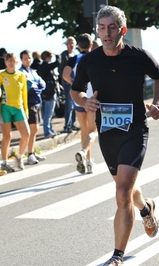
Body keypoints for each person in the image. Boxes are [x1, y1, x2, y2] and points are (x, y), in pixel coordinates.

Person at [71, 6, 159, 265]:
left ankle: (117, 256)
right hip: (108, 133)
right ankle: (146, 208)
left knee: (122, 192)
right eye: (102, 27)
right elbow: (76, 90)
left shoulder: (138, 56)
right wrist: (85, 101)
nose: (106, 32)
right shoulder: (90, 61)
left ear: (122, 30)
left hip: (135, 130)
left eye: (112, 27)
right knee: (125, 189)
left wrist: (157, 102)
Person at [63, 33, 97, 174]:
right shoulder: (95, 57)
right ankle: (85, 155)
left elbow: (65, 75)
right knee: (93, 131)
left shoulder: (73, 59)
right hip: (93, 98)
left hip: (79, 97)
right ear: (91, 45)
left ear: (78, 46)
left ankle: (87, 160)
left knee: (84, 131)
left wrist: (75, 83)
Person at [0, 53, 30, 172]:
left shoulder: (21, 75)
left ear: (17, 62)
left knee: (26, 134)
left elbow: (24, 93)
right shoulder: (1, 76)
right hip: (5, 108)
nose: (11, 63)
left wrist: (26, 110)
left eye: (13, 61)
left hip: (18, 107)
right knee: (7, 136)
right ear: (5, 62)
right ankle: (4, 162)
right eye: (9, 61)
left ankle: (19, 157)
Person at [19, 50, 47, 165]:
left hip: (37, 101)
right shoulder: (21, 72)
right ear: (21, 60)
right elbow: (30, 87)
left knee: (35, 129)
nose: (28, 60)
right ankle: (29, 154)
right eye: (25, 58)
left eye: (29, 58)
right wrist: (36, 86)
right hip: (29, 102)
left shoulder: (33, 71)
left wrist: (37, 86)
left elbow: (42, 84)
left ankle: (32, 151)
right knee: (31, 129)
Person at [37, 50, 61, 138]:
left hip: (45, 92)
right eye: (50, 56)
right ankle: (47, 131)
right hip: (50, 93)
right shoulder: (46, 66)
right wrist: (57, 55)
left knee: (47, 113)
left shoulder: (41, 67)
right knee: (48, 113)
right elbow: (58, 62)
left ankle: (49, 129)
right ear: (47, 57)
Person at [59, 36, 78, 133]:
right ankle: (67, 125)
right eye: (69, 43)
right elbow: (61, 69)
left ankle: (73, 123)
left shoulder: (75, 54)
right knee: (69, 105)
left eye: (72, 43)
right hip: (67, 83)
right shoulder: (64, 55)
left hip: (75, 83)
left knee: (75, 104)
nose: (71, 45)